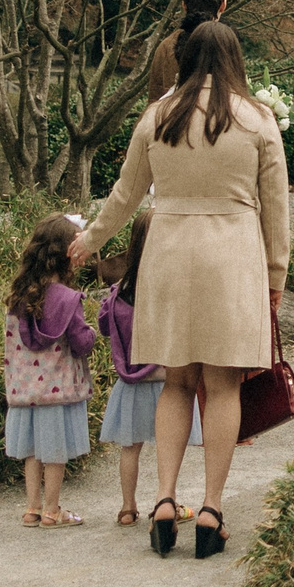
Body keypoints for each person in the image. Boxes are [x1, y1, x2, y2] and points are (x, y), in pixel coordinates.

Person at [72, 19, 290, 560]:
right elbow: (277, 209)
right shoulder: (258, 119)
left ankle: (164, 500)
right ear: (236, 61)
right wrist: (276, 277)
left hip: (167, 256)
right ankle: (211, 510)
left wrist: (90, 239)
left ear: (186, 58)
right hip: (231, 258)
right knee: (222, 387)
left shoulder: (157, 115)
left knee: (175, 383)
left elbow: (125, 194)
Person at [96, 210, 199, 528]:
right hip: (167, 382)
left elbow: (104, 327)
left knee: (130, 449)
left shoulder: (118, 293)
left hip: (129, 385)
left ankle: (127, 508)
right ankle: (167, 501)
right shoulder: (170, 290)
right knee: (170, 445)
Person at [4, 212, 96, 527]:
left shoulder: (19, 296)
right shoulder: (69, 299)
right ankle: (52, 510)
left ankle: (31, 508)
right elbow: (81, 343)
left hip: (26, 389)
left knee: (32, 451)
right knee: (55, 451)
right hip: (59, 389)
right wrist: (92, 333)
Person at [147, 0, 228, 100]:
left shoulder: (166, 47)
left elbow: (154, 99)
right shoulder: (228, 46)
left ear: (184, 5)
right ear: (223, 5)